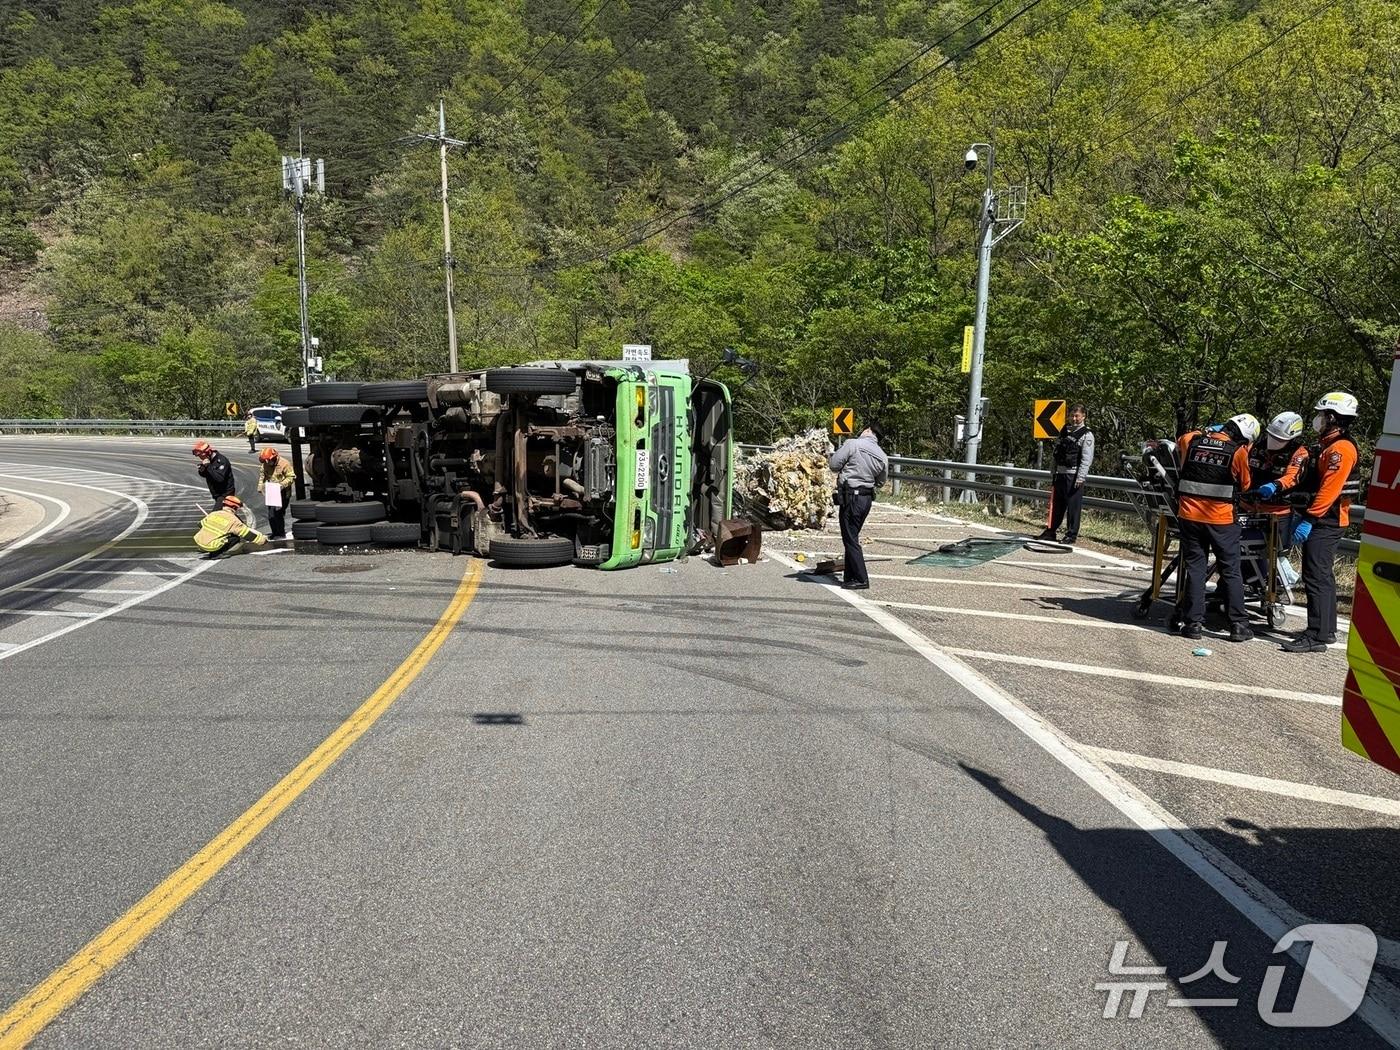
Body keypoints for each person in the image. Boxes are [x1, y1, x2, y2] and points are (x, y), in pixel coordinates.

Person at [1282, 392, 1360, 654]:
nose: (1318, 419)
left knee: (1316, 576)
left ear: (1333, 418)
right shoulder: (1327, 445)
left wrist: (1309, 519)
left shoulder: (1341, 449)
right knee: (1320, 575)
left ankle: (1316, 634)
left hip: (1328, 519)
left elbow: (1330, 489)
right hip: (1324, 518)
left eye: (1322, 415)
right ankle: (1325, 630)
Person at [1175, 413, 1258, 642]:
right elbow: (1246, 485)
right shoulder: (1238, 451)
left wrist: (1209, 432)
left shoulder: (1193, 441)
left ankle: (1193, 624)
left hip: (1189, 516)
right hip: (1221, 520)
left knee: (1196, 568)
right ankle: (1238, 625)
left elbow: (1182, 438)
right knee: (1230, 570)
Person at [828, 424, 888, 590]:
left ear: (868, 430)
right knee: (852, 535)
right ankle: (850, 576)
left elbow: (834, 465)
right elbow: (881, 482)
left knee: (850, 539)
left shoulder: (853, 444)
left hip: (852, 497)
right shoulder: (882, 455)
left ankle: (861, 578)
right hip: (866, 499)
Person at [1040, 404, 1094, 544]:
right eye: (1071, 416)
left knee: (1073, 508)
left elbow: (1087, 459)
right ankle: (1051, 531)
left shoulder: (1087, 435)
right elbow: (1056, 452)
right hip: (1060, 474)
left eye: (1077, 416)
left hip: (1074, 475)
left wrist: (1081, 477)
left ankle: (1071, 535)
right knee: (1057, 505)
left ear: (1083, 416)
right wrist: (1053, 470)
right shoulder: (1064, 431)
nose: (1074, 419)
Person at [192, 496, 267, 560]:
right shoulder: (233, 520)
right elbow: (246, 534)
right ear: (234, 507)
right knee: (235, 538)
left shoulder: (214, 513)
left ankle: (206, 548)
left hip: (199, 542)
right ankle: (216, 554)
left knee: (216, 535)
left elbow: (200, 524)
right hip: (211, 546)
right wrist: (261, 540)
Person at [256, 446, 296, 540]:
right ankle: (275, 532)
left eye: (269, 461)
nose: (267, 463)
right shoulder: (265, 464)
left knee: (278, 513)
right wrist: (260, 485)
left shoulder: (284, 464)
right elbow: (262, 475)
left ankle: (280, 533)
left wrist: (281, 485)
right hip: (271, 492)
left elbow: (291, 477)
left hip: (283, 492)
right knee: (271, 514)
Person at [193, 441, 236, 509]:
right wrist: (202, 469)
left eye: (201, 456)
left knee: (217, 513)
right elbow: (206, 475)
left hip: (225, 494)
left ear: (208, 453)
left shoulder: (221, 461)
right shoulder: (208, 460)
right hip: (217, 494)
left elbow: (219, 478)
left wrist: (208, 466)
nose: (200, 458)